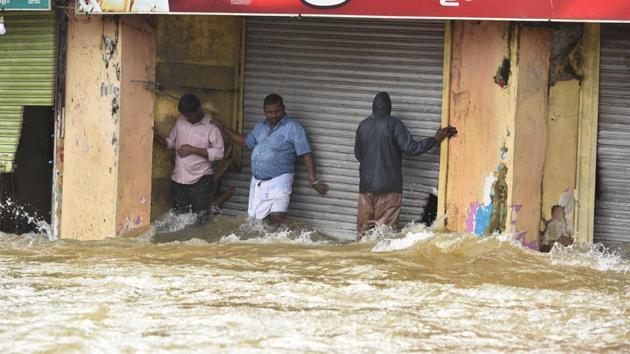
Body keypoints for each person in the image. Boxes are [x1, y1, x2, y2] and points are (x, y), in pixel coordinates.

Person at [354, 92, 457, 239]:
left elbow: (358, 154)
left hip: (365, 188)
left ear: (373, 108)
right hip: (389, 188)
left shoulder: (362, 126)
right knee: (385, 235)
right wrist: (435, 139)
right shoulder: (394, 124)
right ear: (389, 108)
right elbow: (411, 148)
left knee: (363, 233)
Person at [217, 93, 328, 228]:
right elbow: (247, 143)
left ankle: (290, 242)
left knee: (278, 216)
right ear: (264, 111)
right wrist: (225, 130)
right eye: (270, 112)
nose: (274, 115)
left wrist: (313, 180)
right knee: (260, 222)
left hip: (280, 180)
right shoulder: (260, 127)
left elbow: (306, 153)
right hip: (258, 182)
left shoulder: (293, 127)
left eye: (277, 111)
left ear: (283, 108)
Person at [153, 93, 224, 221]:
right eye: (185, 115)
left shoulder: (211, 127)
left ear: (198, 110)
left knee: (201, 219)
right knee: (179, 219)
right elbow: (171, 142)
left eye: (190, 115)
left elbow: (219, 153)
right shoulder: (181, 120)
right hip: (179, 179)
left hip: (201, 180)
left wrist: (193, 150)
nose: (187, 118)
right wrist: (157, 137)